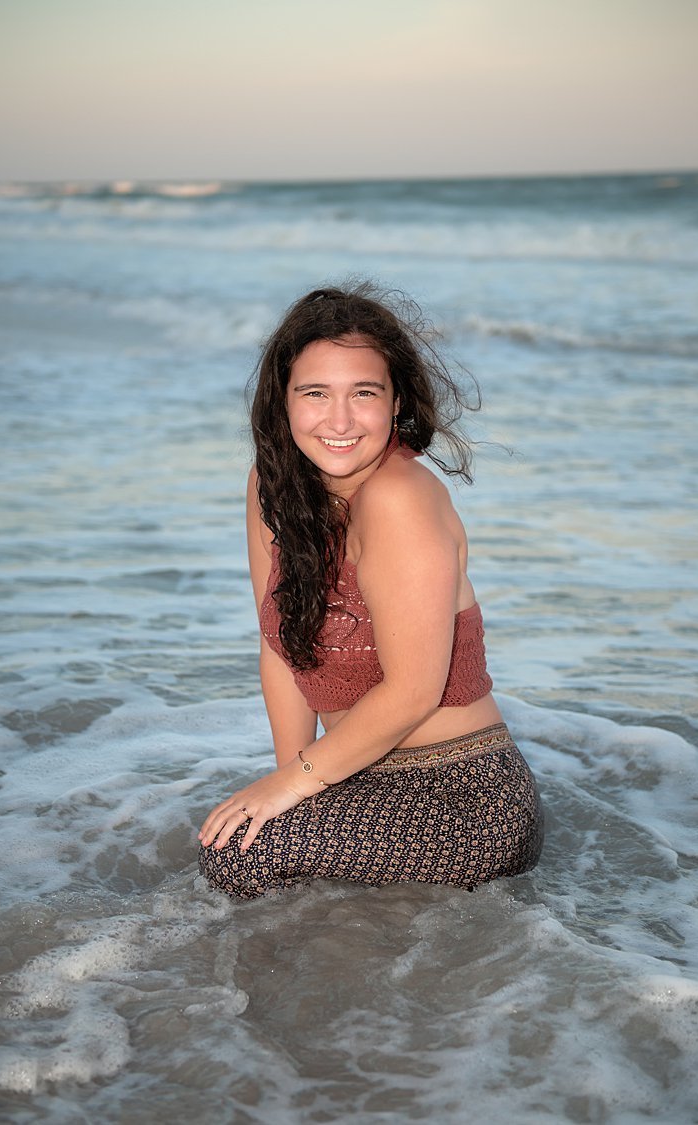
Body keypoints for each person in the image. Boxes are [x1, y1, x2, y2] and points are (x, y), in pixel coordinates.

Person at [198, 283, 543, 899]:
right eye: (315, 394)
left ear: (396, 401)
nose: (338, 420)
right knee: (240, 839)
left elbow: (412, 691)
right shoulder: (271, 485)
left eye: (363, 393)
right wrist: (288, 779)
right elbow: (280, 647)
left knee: (239, 859)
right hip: (359, 774)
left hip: (465, 794)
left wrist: (294, 785)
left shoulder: (399, 498)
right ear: (282, 400)